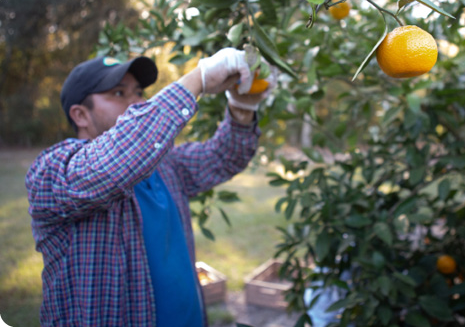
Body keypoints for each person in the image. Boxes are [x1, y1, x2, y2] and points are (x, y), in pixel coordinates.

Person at [25, 48, 277, 327]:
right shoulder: (53, 171)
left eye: (139, 92)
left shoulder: (165, 166)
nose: (136, 102)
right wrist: (198, 78)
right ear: (81, 115)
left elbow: (223, 156)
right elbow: (111, 164)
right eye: (119, 93)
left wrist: (244, 106)